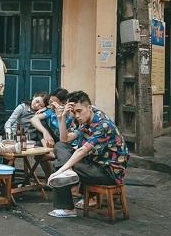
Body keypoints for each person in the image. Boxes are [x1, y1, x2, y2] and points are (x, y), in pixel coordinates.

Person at [47, 90, 130, 219]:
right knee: (60, 146)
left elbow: (83, 150)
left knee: (58, 166)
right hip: (93, 165)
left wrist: (63, 169)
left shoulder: (103, 124)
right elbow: (64, 139)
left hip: (108, 172)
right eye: (74, 112)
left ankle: (68, 209)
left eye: (79, 111)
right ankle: (67, 176)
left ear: (89, 107)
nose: (77, 116)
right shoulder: (87, 120)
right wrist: (61, 117)